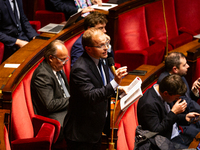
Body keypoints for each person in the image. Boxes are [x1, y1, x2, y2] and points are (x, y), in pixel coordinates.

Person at [63, 28, 128, 150]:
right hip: (82, 133)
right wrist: (115, 83)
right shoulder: (80, 69)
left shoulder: (102, 59)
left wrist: (118, 91)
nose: (106, 48)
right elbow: (92, 96)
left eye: (106, 44)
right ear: (88, 48)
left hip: (96, 128)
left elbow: (102, 86)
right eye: (101, 45)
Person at [137, 74, 200, 148]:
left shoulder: (164, 93)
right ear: (166, 93)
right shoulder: (148, 104)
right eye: (176, 97)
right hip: (166, 141)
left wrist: (185, 118)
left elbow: (168, 117)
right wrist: (173, 112)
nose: (178, 99)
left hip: (176, 132)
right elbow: (155, 131)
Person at [31, 40, 70, 141]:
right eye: (62, 59)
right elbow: (50, 105)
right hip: (52, 117)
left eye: (66, 59)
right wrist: (73, 100)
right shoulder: (43, 75)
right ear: (51, 58)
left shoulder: (57, 67)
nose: (65, 63)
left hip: (64, 108)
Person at [157, 52, 200, 139]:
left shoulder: (180, 76)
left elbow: (186, 100)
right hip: (180, 124)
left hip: (188, 115)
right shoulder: (166, 83)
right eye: (184, 65)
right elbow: (179, 107)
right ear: (175, 69)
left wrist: (193, 92)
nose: (188, 66)